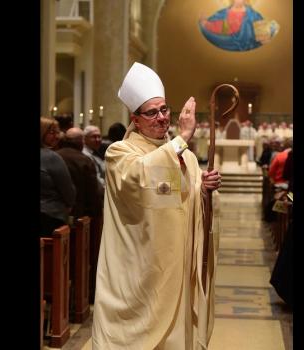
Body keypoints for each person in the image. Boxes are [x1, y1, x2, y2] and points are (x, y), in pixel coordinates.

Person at [92, 62, 222, 349]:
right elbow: (139, 179)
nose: (162, 118)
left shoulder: (183, 155)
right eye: (152, 112)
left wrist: (204, 190)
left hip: (176, 266)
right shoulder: (120, 152)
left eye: (165, 110)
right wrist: (181, 139)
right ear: (135, 119)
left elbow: (183, 199)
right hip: (141, 270)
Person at [40, 117, 76, 237]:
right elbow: (68, 191)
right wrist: (69, 204)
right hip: (50, 217)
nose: (57, 136)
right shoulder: (51, 157)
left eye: (58, 132)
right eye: (52, 132)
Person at [198, 0, 278, 51]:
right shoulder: (225, 13)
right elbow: (225, 28)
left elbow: (261, 26)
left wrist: (266, 34)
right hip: (231, 39)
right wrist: (206, 24)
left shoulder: (252, 13)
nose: (239, 1)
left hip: (250, 40)